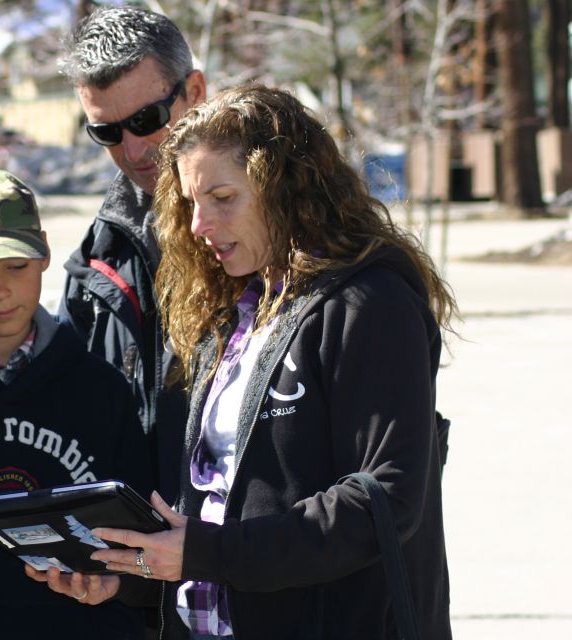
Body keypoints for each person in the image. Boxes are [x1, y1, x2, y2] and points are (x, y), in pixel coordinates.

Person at [31, 84, 455, 640]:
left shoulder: (368, 303)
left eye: (223, 198)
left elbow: (385, 499)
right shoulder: (232, 310)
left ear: (287, 188)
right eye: (190, 204)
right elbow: (217, 504)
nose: (200, 225)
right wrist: (133, 570)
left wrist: (209, 553)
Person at [0, 168, 152, 640]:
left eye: (16, 266)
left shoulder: (102, 389)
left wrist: (117, 584)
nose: (0, 291)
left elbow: (144, 548)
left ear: (46, 253)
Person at [56, 5, 206, 504]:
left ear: (196, 92)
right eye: (108, 132)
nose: (134, 150)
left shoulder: (283, 234)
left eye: (147, 119)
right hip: (138, 564)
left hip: (252, 560)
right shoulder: (96, 256)